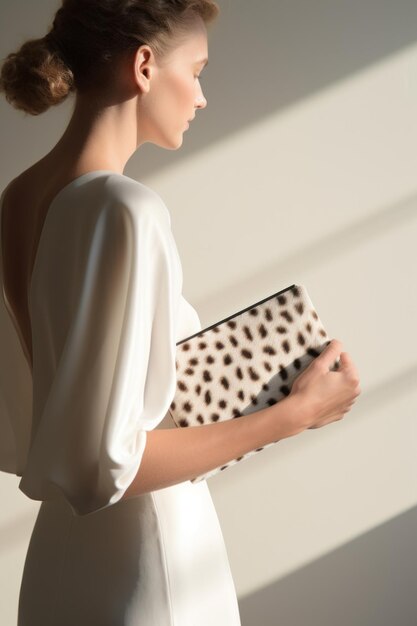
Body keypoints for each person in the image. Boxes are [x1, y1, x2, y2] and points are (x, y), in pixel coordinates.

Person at [0, 1, 361, 624]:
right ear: (144, 65)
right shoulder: (123, 207)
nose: (200, 98)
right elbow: (106, 464)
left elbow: (51, 433)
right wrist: (293, 415)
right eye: (196, 71)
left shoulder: (19, 197)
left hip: (60, 558)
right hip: (150, 556)